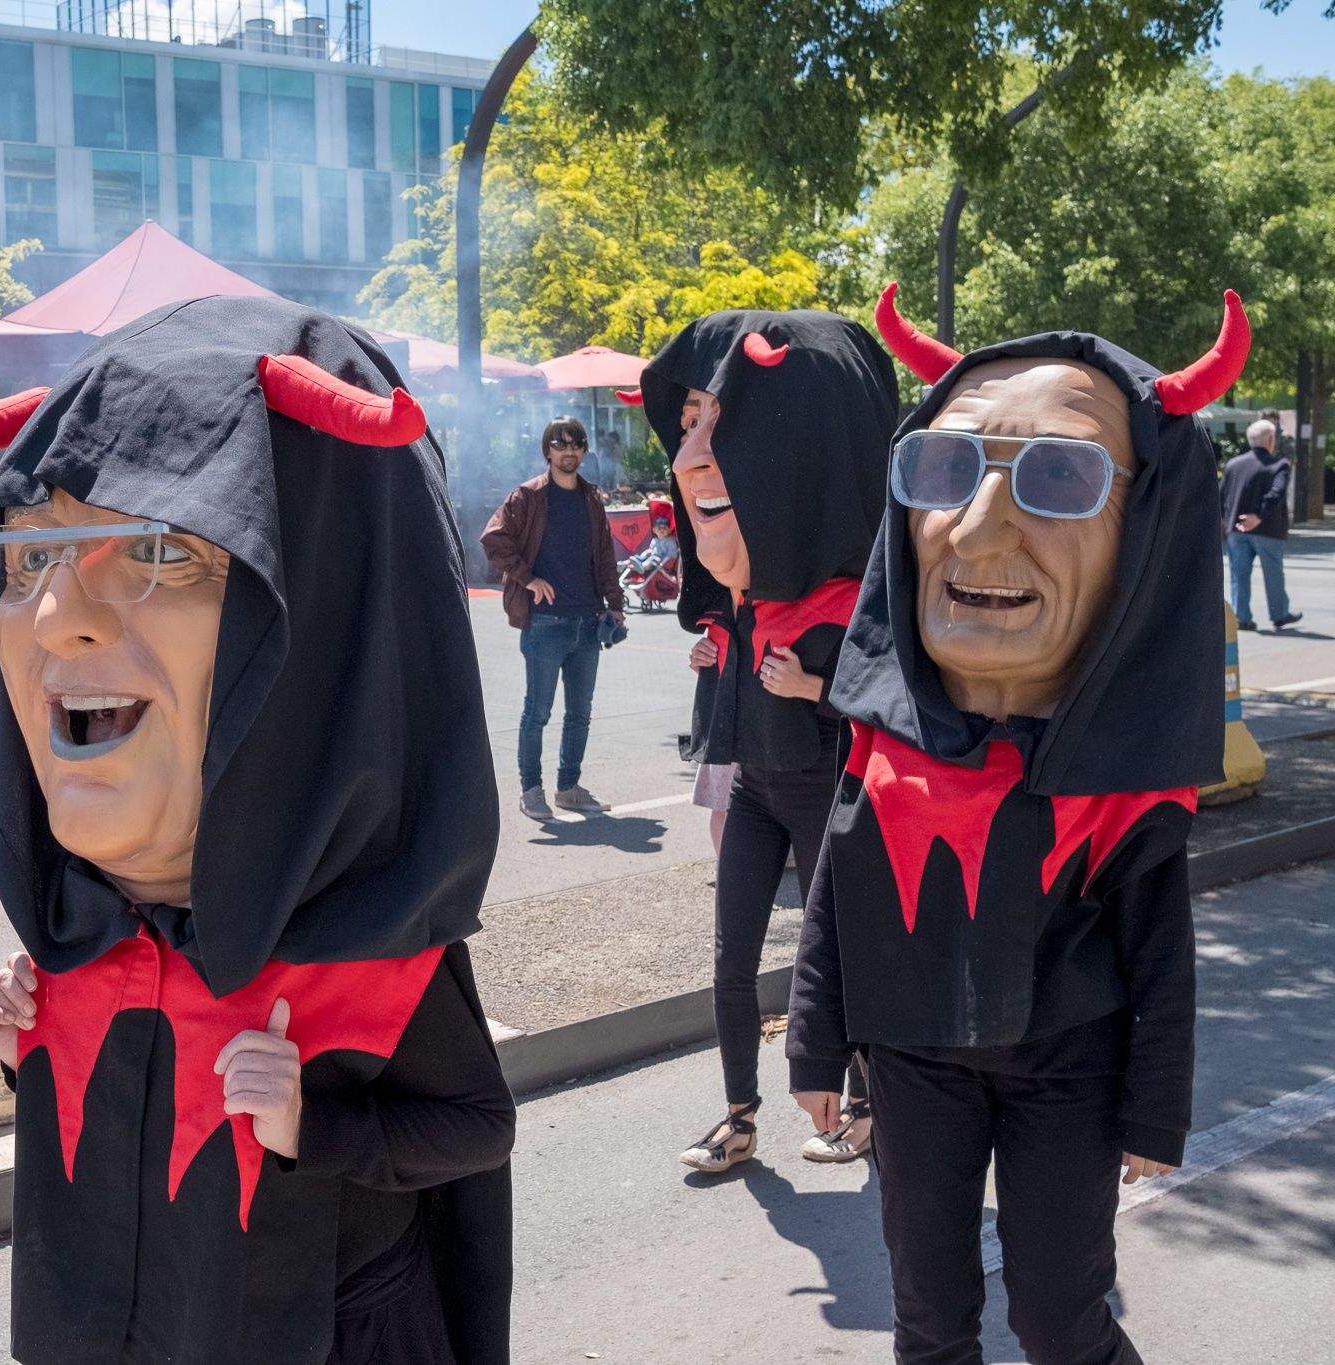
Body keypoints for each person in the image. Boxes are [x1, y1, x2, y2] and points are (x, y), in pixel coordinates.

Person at [0, 296, 515, 1364]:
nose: (56, 619)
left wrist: (312, 1125)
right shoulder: (79, 932)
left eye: (158, 549)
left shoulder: (368, 955)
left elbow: (475, 1126)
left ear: (326, 622)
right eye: (29, 556)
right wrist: (27, 1059)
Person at [786, 288, 1246, 1364]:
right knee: (927, 1317)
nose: (978, 526)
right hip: (912, 1062)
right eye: (945, 470)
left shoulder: (1123, 785)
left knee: (1057, 1315)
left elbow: (1159, 950)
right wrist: (815, 1044)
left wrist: (1154, 1112)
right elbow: (836, 898)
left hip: (1068, 1070)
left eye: (1059, 476)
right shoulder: (883, 744)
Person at [634, 309, 897, 1173]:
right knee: (731, 960)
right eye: (689, 421)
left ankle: (865, 1105)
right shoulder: (740, 594)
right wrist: (715, 660)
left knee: (844, 957)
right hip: (755, 788)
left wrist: (811, 686)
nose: (693, 452)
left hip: (825, 788)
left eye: (720, 424)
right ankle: (738, 1116)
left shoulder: (852, 599)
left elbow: (893, 708)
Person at [482, 416, 627, 822]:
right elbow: (493, 539)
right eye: (560, 444)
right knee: (538, 712)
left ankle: (568, 789)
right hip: (544, 624)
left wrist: (615, 604)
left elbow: (605, 557)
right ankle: (531, 791)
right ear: (547, 450)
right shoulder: (527, 496)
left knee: (580, 714)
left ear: (583, 450)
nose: (569, 451)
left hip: (588, 622)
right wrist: (528, 578)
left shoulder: (591, 498)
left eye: (576, 444)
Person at [1221, 416, 1299, 631]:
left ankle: (1242, 617)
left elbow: (1221, 494)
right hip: (1268, 529)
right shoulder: (1279, 465)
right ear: (1271, 439)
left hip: (1236, 528)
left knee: (1239, 575)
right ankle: (1279, 614)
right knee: (1273, 573)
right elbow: (1277, 492)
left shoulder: (1233, 464)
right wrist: (1258, 515)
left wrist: (1228, 520)